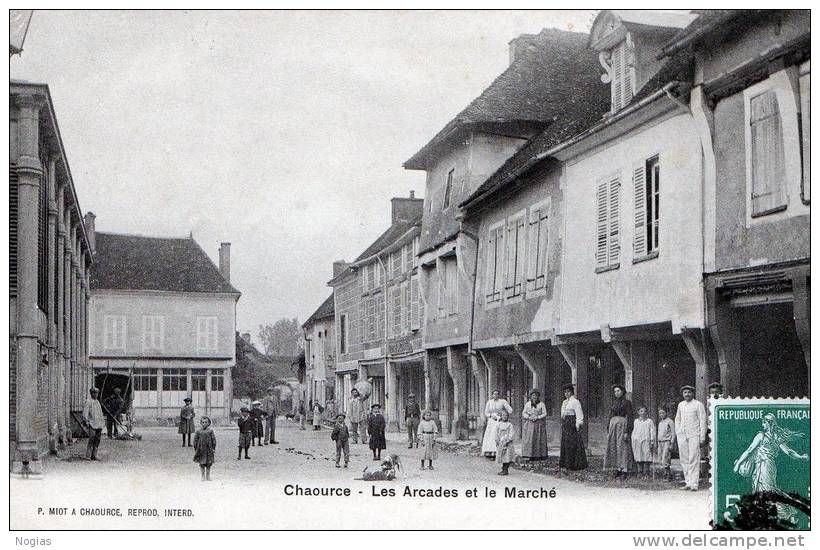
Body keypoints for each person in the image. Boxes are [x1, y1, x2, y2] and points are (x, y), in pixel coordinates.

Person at [733, 413, 808, 523]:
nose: (762, 424)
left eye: (764, 422)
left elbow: (749, 450)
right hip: (767, 466)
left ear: (770, 423)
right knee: (763, 491)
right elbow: (789, 452)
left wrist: (738, 464)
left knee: (767, 492)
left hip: (764, 467)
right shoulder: (777, 437)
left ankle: (787, 512)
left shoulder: (761, 436)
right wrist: (800, 457)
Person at [675, 385, 707, 491]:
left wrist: (702, 437)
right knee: (684, 459)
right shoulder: (681, 405)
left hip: (694, 434)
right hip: (682, 434)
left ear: (692, 393)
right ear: (682, 394)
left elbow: (703, 421)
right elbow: (677, 419)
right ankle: (688, 482)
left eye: (689, 392)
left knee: (694, 458)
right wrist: (678, 431)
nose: (687, 394)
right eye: (685, 393)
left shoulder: (698, 405)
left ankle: (694, 484)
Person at [605, 384, 635, 476]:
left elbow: (630, 417)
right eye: (615, 391)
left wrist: (627, 431)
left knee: (622, 446)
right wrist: (608, 428)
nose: (616, 393)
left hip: (622, 425)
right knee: (615, 446)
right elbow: (610, 415)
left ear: (622, 391)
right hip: (613, 426)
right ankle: (618, 468)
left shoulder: (627, 402)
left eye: (618, 391)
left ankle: (625, 469)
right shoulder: (614, 403)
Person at [559, 384, 587, 470]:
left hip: (572, 424)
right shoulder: (564, 402)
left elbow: (579, 413)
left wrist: (578, 424)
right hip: (566, 423)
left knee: (572, 443)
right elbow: (562, 413)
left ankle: (574, 464)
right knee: (566, 443)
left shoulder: (575, 401)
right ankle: (566, 463)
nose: (567, 394)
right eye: (565, 392)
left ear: (572, 392)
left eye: (568, 392)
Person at [481, 390, 512, 458]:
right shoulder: (489, 402)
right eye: (494, 394)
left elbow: (510, 409)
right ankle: (489, 451)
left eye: (497, 394)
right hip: (491, 421)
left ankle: (497, 451)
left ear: (499, 395)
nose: (495, 395)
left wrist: (502, 414)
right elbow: (486, 412)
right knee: (490, 435)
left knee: (497, 434)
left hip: (499, 420)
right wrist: (490, 415)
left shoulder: (502, 401)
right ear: (492, 395)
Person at [521, 389, 548, 461]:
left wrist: (538, 417)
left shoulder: (541, 404)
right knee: (529, 438)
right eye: (533, 395)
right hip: (530, 423)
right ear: (531, 396)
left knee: (538, 438)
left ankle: (539, 455)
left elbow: (545, 413)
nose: (534, 397)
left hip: (539, 423)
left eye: (536, 396)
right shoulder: (527, 404)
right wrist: (528, 417)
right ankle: (529, 454)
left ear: (538, 396)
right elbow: (523, 413)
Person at [631, 406, 656, 477]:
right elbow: (634, 431)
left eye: (645, 411)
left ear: (647, 412)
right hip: (637, 440)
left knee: (646, 455)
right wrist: (633, 438)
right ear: (638, 412)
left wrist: (652, 440)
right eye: (641, 411)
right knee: (638, 455)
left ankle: (647, 472)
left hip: (646, 440)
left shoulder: (649, 421)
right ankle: (640, 471)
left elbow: (652, 431)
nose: (643, 413)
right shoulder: (636, 421)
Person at [82, 387, 106, 461]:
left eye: (96, 393)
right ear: (91, 393)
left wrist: (102, 422)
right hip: (92, 423)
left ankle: (94, 455)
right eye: (94, 393)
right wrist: (86, 421)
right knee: (91, 439)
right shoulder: (88, 401)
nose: (95, 394)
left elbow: (100, 413)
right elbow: (85, 412)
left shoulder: (97, 402)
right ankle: (88, 455)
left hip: (99, 424)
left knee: (97, 440)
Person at [192, 416, 216, 481]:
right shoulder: (198, 431)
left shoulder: (210, 431)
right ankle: (202, 476)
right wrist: (196, 448)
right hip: (201, 450)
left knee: (208, 463)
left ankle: (208, 476)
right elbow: (195, 440)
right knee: (202, 464)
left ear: (208, 423)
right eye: (203, 422)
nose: (204, 424)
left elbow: (214, 440)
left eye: (206, 422)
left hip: (209, 449)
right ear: (201, 423)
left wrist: (213, 448)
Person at [656, 406, 676, 480]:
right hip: (660, 442)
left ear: (667, 413)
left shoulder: (670, 421)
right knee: (661, 458)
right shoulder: (660, 422)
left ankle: (668, 475)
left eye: (663, 413)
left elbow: (673, 433)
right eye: (660, 413)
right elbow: (659, 433)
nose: (661, 415)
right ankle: (665, 473)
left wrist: (672, 443)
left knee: (665, 458)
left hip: (667, 442)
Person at [495, 410, 516, 475]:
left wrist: (508, 440)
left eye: (506, 415)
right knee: (502, 455)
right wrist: (497, 440)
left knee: (507, 456)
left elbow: (512, 433)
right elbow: (496, 433)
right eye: (503, 415)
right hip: (501, 442)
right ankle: (503, 468)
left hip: (507, 443)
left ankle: (505, 469)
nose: (505, 417)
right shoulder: (498, 424)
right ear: (501, 416)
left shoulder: (509, 425)